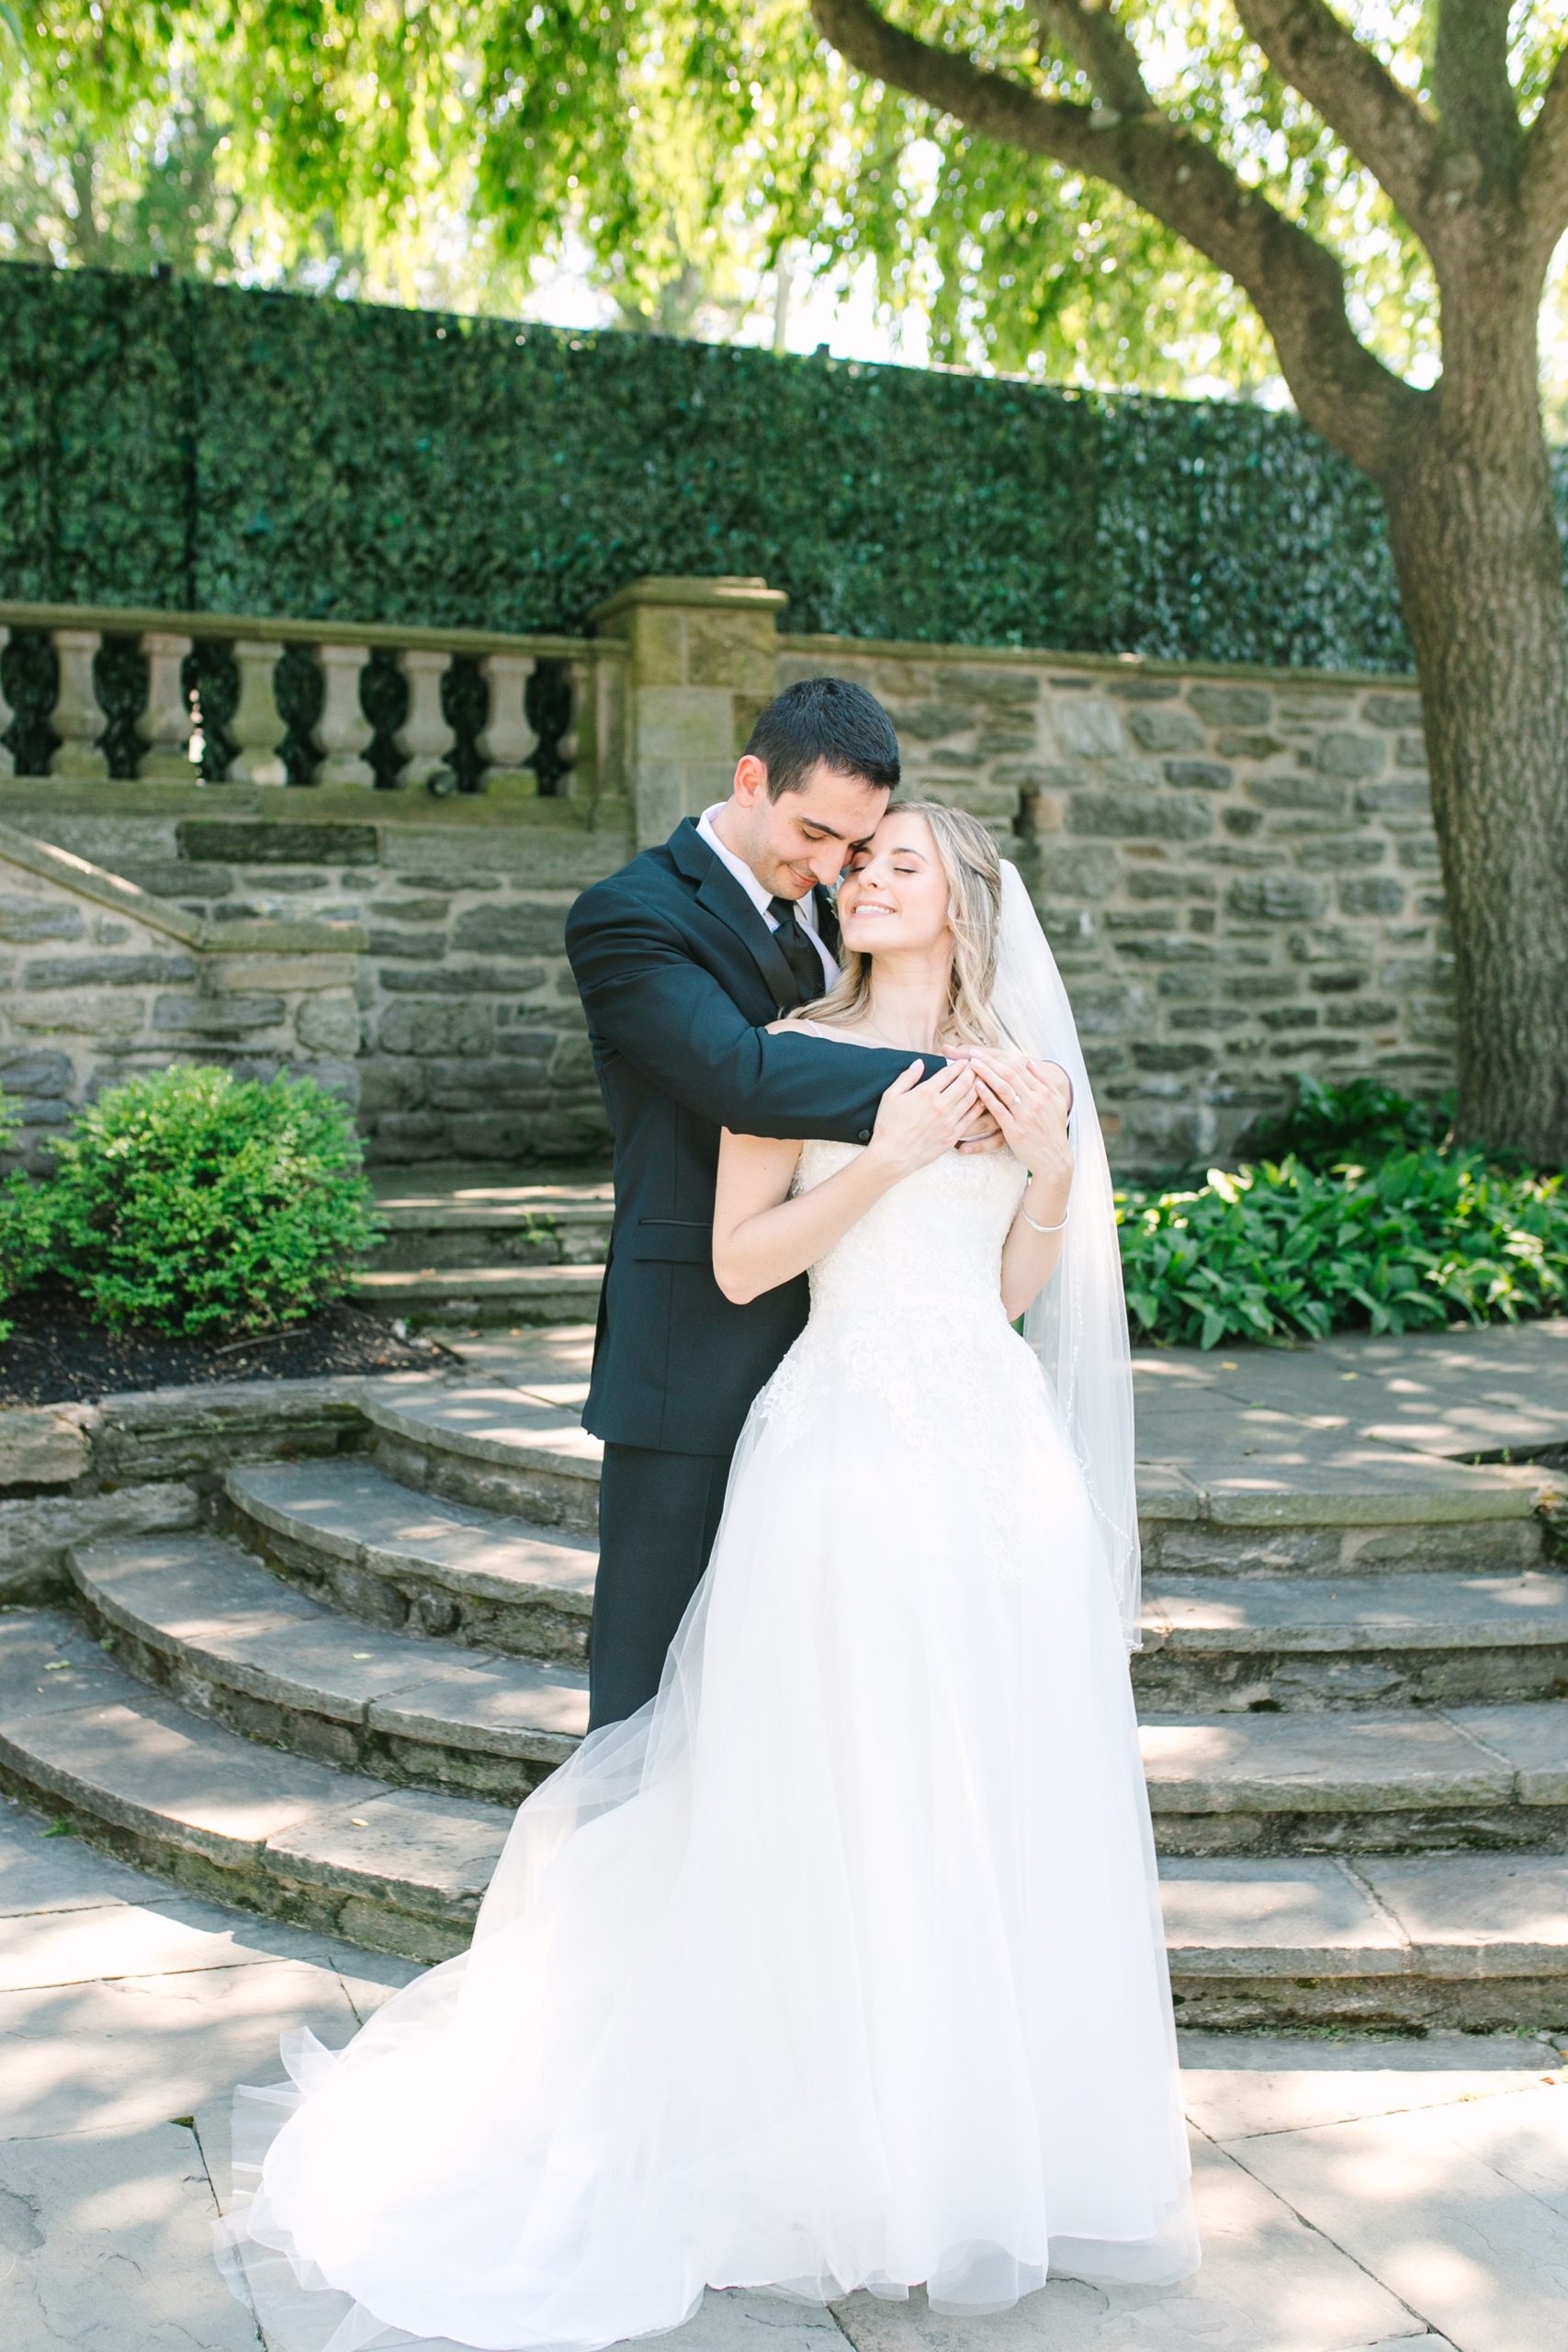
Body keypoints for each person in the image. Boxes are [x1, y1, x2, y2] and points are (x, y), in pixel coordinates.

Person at [213, 800, 1201, 2352]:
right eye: (859, 861)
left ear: (963, 905)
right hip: (844, 1446)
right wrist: (887, 1154)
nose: (866, 880)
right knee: (839, 1789)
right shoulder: (776, 1044)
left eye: (899, 865)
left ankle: (964, 2156)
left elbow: (1016, 1290)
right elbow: (746, 1266)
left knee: (990, 1794)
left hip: (988, 1456)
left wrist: (1050, 1166)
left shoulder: (1026, 1067)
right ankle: (822, 2147)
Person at [559, 675, 1002, 1731]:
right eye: (813, 836)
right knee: (650, 1691)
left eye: (854, 851)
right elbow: (741, 1078)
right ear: (750, 780)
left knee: (802, 1706)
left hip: (844, 1365)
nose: (829, 871)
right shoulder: (629, 916)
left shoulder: (833, 918)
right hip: (694, 1351)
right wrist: (961, 1091)